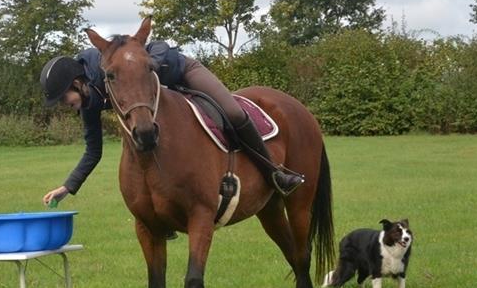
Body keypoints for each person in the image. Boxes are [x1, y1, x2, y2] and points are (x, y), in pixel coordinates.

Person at [39, 41, 304, 207]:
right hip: (165, 96)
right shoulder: (90, 100)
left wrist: (150, 66)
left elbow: (157, 47)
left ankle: (274, 172)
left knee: (233, 112)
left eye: (64, 98)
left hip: (183, 72)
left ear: (77, 83)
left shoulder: (115, 60)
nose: (65, 104)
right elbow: (93, 151)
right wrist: (67, 187)